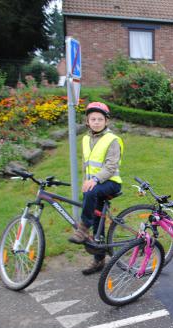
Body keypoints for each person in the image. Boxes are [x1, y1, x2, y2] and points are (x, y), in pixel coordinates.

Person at [68, 101, 124, 275]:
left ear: (106, 121)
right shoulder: (86, 139)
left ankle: (83, 228)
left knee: (91, 194)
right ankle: (98, 260)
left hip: (111, 182)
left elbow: (111, 166)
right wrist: (87, 180)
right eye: (93, 119)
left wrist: (93, 181)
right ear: (87, 121)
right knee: (98, 222)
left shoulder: (112, 140)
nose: (97, 122)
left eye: (100, 119)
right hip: (95, 183)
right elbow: (87, 165)